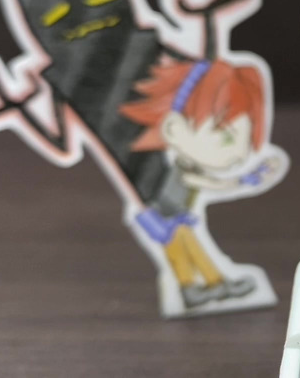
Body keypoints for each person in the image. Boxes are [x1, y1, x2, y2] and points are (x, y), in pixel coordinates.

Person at [120, 58, 280, 307]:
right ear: (175, 129)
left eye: (246, 140)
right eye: (227, 138)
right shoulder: (182, 171)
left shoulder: (186, 167)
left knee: (186, 253)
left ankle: (206, 286)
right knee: (187, 252)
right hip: (166, 219)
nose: (239, 155)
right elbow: (209, 184)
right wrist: (242, 179)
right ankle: (207, 285)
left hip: (175, 218)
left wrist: (248, 177)